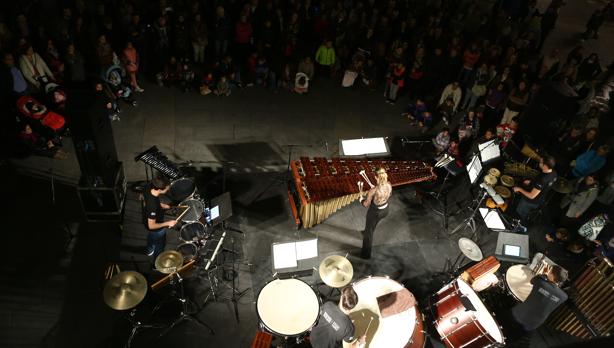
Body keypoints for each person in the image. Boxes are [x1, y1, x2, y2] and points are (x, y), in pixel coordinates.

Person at [511, 265, 567, 332]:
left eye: (550, 271)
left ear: (552, 275)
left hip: (519, 314)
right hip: (533, 324)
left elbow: (532, 281)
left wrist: (543, 275)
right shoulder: (564, 297)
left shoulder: (540, 282)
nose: (549, 272)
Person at [513, 156, 558, 226]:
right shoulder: (554, 173)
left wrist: (519, 189)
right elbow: (544, 186)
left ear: (545, 166)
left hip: (529, 202)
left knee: (520, 214)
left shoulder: (542, 179)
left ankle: (518, 226)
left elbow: (532, 196)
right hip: (539, 200)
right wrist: (532, 182)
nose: (539, 163)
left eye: (540, 162)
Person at [359, 168, 392, 259]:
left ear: (376, 177)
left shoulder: (373, 190)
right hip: (385, 210)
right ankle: (367, 230)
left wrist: (361, 199)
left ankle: (366, 255)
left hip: (375, 212)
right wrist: (376, 189)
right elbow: (386, 194)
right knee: (372, 224)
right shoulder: (389, 185)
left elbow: (366, 204)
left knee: (368, 234)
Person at [143, 176, 177, 262]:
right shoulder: (152, 206)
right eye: (167, 189)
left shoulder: (149, 186)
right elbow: (151, 226)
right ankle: (156, 264)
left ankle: (149, 250)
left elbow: (144, 197)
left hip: (147, 218)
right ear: (159, 189)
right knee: (160, 245)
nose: (168, 189)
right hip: (155, 227)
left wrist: (160, 205)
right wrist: (168, 223)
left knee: (151, 236)